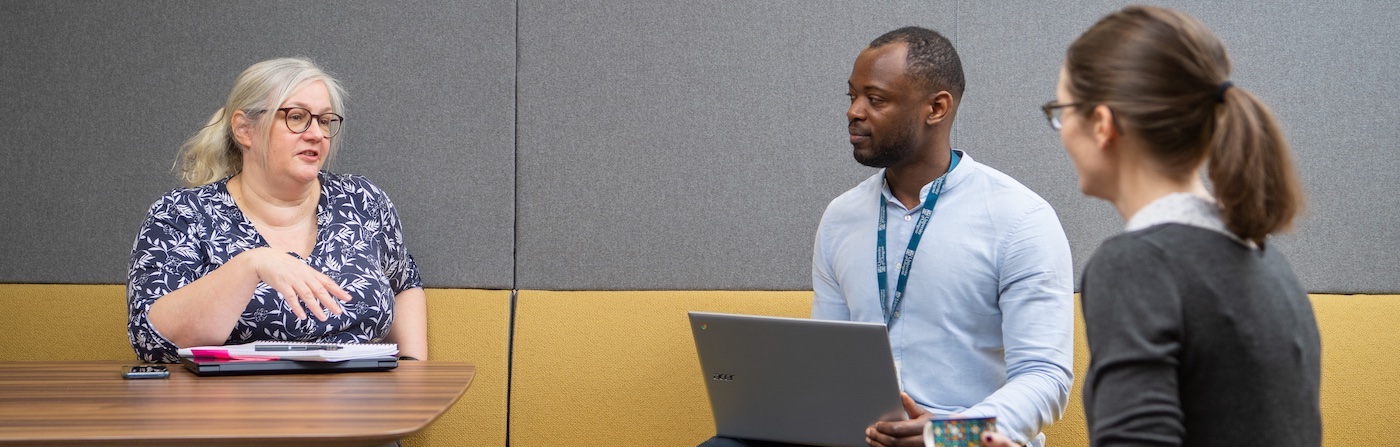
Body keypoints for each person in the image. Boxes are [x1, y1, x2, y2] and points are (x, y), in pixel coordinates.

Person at [701, 27, 1075, 447]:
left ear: (936, 107)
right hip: (858, 438)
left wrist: (947, 434)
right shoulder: (842, 217)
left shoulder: (1020, 218)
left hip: (968, 440)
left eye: (875, 99)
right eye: (851, 96)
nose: (854, 112)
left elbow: (1047, 378)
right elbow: (826, 360)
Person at [1033, 5, 1322, 446]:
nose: (1060, 129)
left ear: (1102, 124)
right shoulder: (1269, 263)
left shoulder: (1135, 264)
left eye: (1062, 110)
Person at [127, 57, 428, 364]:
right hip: (236, 407)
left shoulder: (362, 201)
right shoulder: (182, 216)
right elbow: (151, 340)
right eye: (297, 117)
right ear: (245, 130)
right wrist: (250, 264)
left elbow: (404, 283)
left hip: (358, 405)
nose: (316, 134)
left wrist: (413, 370)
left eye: (324, 121)